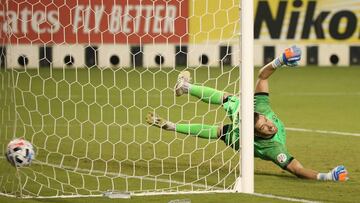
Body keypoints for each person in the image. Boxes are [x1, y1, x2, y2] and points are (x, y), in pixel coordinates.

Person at [146, 46, 348, 181]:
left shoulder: (262, 110)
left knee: (225, 113)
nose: (270, 125)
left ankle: (175, 113)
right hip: (240, 137)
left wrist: (280, 60)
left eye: (266, 122)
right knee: (224, 120)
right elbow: (297, 169)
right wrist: (327, 176)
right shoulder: (271, 147)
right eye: (264, 127)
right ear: (257, 133)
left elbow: (262, 75)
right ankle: (185, 88)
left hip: (243, 126)